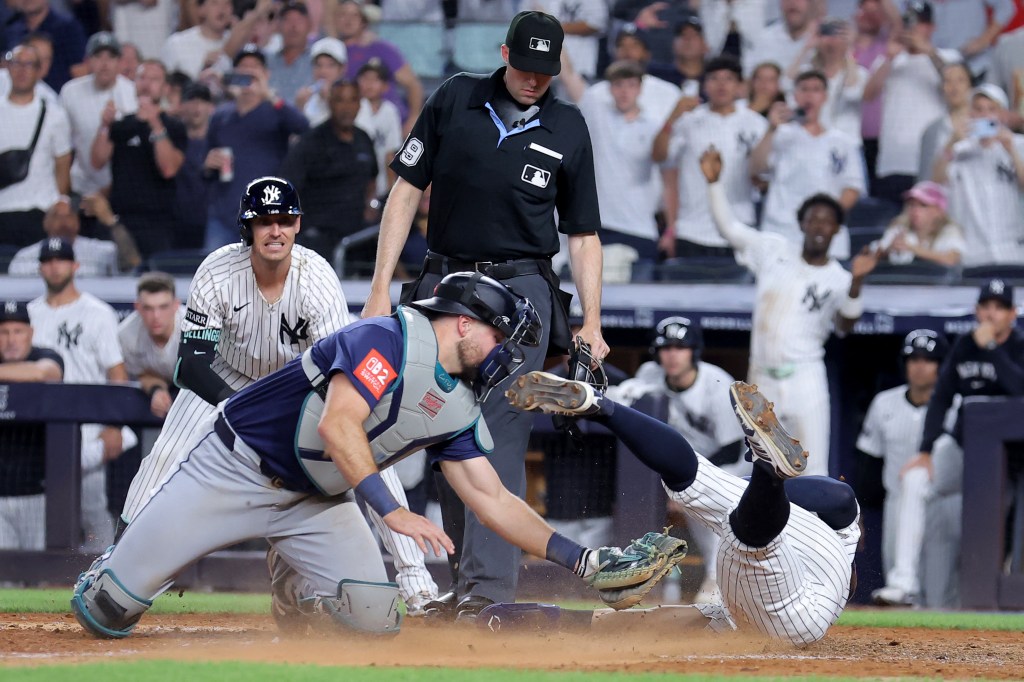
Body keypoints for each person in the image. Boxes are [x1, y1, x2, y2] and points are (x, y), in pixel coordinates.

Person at [71, 272, 685, 639]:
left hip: (317, 500)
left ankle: (296, 589)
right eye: (501, 336)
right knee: (104, 612)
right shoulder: (384, 338)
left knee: (374, 620)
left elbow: (491, 496)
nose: (508, 353)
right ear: (466, 323)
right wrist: (391, 511)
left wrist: (581, 560)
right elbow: (341, 428)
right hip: (233, 469)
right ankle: (112, 569)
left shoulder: (460, 401)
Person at [360, 10, 609, 621]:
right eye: (525, 67)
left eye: (545, 71)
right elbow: (405, 191)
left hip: (521, 288)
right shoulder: (455, 98)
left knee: (496, 434)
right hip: (445, 282)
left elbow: (583, 235)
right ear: (504, 53)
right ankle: (468, 586)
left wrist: (592, 322)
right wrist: (378, 287)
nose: (534, 80)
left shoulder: (569, 126)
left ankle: (489, 594)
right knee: (440, 423)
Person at [116, 176, 438, 613]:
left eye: (284, 220)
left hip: (295, 390)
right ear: (246, 227)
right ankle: (112, 570)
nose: (275, 230)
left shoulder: (317, 278)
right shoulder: (217, 269)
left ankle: (418, 586)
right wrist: (240, 410)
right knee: (162, 460)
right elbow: (192, 365)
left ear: (298, 224)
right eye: (264, 221)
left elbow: (336, 370)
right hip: (222, 382)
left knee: (363, 453)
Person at [503, 373, 860, 646]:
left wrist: (557, 619)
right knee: (753, 542)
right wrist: (564, 620)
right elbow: (662, 621)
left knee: (699, 479)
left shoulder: (844, 544)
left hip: (819, 538)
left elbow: (839, 498)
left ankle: (602, 406)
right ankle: (766, 474)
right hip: (800, 611)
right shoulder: (818, 600)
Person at [702, 146, 877, 478]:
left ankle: (821, 531)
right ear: (802, 224)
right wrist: (714, 184)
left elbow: (845, 325)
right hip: (762, 376)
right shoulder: (774, 250)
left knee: (813, 469)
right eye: (814, 219)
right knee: (761, 468)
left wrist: (857, 283)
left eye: (828, 220)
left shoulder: (839, 278)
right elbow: (731, 230)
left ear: (837, 229)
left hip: (805, 377)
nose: (820, 226)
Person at [902, 279, 1024, 608]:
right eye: (986, 306)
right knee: (915, 481)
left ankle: (995, 603)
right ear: (976, 310)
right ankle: (904, 585)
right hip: (963, 448)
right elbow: (941, 398)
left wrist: (993, 351)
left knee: (1001, 525)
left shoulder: (1018, 346)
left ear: (1012, 314)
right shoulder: (963, 346)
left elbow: (1019, 390)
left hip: (1008, 462)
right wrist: (926, 449)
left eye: (999, 308)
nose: (991, 314)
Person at [623, 316, 747, 604]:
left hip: (729, 467)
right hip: (679, 469)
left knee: (717, 517)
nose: (672, 355)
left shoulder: (716, 384)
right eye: (666, 348)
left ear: (694, 351)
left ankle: (718, 582)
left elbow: (731, 449)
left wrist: (687, 485)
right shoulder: (648, 376)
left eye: (681, 347)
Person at [27, 237, 131, 552]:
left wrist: (114, 425)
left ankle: (107, 573)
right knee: (42, 511)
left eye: (61, 260)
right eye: (48, 261)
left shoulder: (97, 312)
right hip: (40, 431)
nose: (54, 266)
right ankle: (46, 580)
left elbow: (117, 373)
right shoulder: (30, 314)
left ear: (75, 265)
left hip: (88, 430)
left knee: (92, 510)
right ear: (40, 268)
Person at [857, 329, 949, 607]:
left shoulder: (955, 405)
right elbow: (869, 464)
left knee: (941, 594)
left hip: (942, 506)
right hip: (897, 506)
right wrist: (857, 511)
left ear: (941, 366)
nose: (919, 366)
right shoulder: (884, 403)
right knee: (901, 594)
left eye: (928, 360)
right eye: (913, 359)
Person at [655, 56, 767, 259]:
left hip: (739, 227)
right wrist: (672, 116)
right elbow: (659, 156)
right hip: (692, 229)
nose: (721, 84)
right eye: (714, 78)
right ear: (705, 85)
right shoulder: (688, 121)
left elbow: (763, 175)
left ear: (740, 86)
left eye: (729, 79)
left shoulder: (756, 124)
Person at [202, 45, 309, 250]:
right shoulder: (220, 116)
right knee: (214, 275)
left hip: (266, 214)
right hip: (224, 212)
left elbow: (303, 128)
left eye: (254, 69)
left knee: (262, 276)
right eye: (243, 68)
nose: (248, 74)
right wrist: (208, 164)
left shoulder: (276, 109)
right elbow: (206, 165)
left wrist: (269, 94)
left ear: (266, 74)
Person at [751, 70, 865, 259]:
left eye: (816, 90)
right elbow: (756, 169)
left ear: (825, 97)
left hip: (827, 236)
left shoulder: (843, 142)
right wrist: (771, 129)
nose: (809, 95)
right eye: (804, 89)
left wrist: (827, 219)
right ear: (795, 96)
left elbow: (852, 188)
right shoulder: (779, 135)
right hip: (781, 231)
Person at [862, 1, 960, 203]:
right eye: (910, 22)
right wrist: (889, 57)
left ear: (932, 27)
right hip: (892, 161)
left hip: (932, 161)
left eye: (920, 23)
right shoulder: (891, 59)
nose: (914, 28)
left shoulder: (948, 57)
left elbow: (957, 85)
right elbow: (868, 95)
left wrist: (929, 51)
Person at [90, 59, 187, 258]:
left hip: (158, 223)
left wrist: (154, 123)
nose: (146, 84)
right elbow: (98, 161)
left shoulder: (174, 127)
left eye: (154, 79)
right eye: (142, 78)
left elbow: (168, 169)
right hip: (121, 219)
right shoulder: (122, 125)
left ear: (165, 88)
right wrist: (105, 126)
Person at [577, 60, 664, 280]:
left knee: (643, 304)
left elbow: (669, 175)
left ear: (640, 89)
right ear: (609, 89)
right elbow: (569, 76)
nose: (624, 91)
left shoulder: (655, 127)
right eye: (618, 85)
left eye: (631, 85)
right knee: (595, 300)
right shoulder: (596, 117)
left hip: (642, 227)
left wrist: (670, 228)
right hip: (602, 225)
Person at [280, 79, 378, 263]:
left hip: (358, 238)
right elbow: (288, 186)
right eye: (340, 100)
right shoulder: (310, 142)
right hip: (318, 238)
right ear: (330, 103)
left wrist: (370, 205)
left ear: (359, 104)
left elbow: (372, 177)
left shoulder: (364, 139)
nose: (347, 107)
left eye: (353, 100)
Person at [933, 84, 1024, 267]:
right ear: (970, 113)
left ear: (1002, 115)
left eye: (992, 109)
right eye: (979, 109)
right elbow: (935, 182)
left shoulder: (1019, 145)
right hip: (973, 254)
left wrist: (1012, 152)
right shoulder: (959, 149)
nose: (985, 115)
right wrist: (952, 141)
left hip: (1013, 251)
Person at [0, 301, 64, 551]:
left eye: (18, 332)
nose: (11, 339)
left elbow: (45, 373)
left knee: (41, 575)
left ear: (30, 333)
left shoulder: (44, 355)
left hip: (37, 494)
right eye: (4, 332)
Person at [0, 44, 72, 248]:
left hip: (39, 212)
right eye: (16, 63)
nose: (22, 70)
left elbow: (63, 164)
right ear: (8, 68)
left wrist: (61, 202)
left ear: (39, 71)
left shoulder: (55, 115)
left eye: (29, 64)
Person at [59, 32, 138, 202]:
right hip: (82, 188)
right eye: (98, 56)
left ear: (119, 62)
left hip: (124, 189)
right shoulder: (70, 92)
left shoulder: (132, 92)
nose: (105, 64)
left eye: (111, 57)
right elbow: (61, 142)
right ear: (88, 61)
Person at [333, 0, 423, 127]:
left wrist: (413, 118)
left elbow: (413, 85)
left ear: (363, 21)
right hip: (352, 126)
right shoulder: (331, 52)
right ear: (335, 20)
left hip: (393, 124)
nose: (348, 20)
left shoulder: (381, 48)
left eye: (354, 15)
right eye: (343, 15)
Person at [117, 272, 184, 420]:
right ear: (138, 307)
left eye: (163, 307)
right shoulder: (126, 335)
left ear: (176, 306)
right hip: (151, 391)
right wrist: (157, 390)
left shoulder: (193, 329)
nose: (156, 316)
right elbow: (143, 375)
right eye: (148, 308)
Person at [8, 198, 119, 276]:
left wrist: (111, 222)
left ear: (77, 222)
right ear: (45, 223)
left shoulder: (102, 250)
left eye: (69, 216)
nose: (64, 222)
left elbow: (131, 263)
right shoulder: (24, 257)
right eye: (57, 216)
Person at [877, 181, 964, 268]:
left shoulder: (950, 231)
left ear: (939, 210)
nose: (915, 210)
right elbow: (873, 255)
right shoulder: (899, 229)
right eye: (912, 205)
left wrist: (912, 248)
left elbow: (951, 260)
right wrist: (888, 250)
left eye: (923, 205)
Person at [3, 0, 86, 91]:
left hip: (58, 97)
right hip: (16, 97)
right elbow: (4, 67)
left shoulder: (68, 28)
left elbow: (79, 72)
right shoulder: (11, 30)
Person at [354, 59, 403, 201]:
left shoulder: (390, 111)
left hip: (381, 184)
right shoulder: (352, 108)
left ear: (386, 86)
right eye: (365, 78)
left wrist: (391, 190)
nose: (369, 84)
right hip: (356, 182)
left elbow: (390, 153)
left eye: (375, 80)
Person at [174, 83, 214, 249]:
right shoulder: (172, 141)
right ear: (181, 106)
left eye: (202, 101)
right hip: (177, 220)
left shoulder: (219, 142)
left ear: (211, 107)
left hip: (209, 220)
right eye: (191, 100)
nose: (197, 107)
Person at [919, 62, 973, 182]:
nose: (954, 87)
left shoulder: (983, 124)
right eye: (948, 81)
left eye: (960, 80)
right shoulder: (932, 130)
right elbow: (926, 177)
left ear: (970, 85)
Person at [743, 0, 817, 78]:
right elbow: (748, 77)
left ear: (810, 4)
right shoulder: (763, 39)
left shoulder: (825, 40)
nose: (793, 3)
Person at [160, 0, 232, 79]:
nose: (221, 9)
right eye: (214, 3)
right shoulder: (176, 43)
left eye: (227, 3)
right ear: (201, 9)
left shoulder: (238, 44)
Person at [266, 2, 314, 106]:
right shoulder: (266, 60)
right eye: (287, 20)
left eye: (299, 20)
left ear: (309, 26)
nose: (293, 26)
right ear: (278, 26)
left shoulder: (317, 61)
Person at [297, 37, 348, 126]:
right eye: (318, 65)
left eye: (330, 65)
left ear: (342, 69)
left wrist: (329, 101)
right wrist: (299, 108)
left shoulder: (353, 98)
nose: (323, 71)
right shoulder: (307, 98)